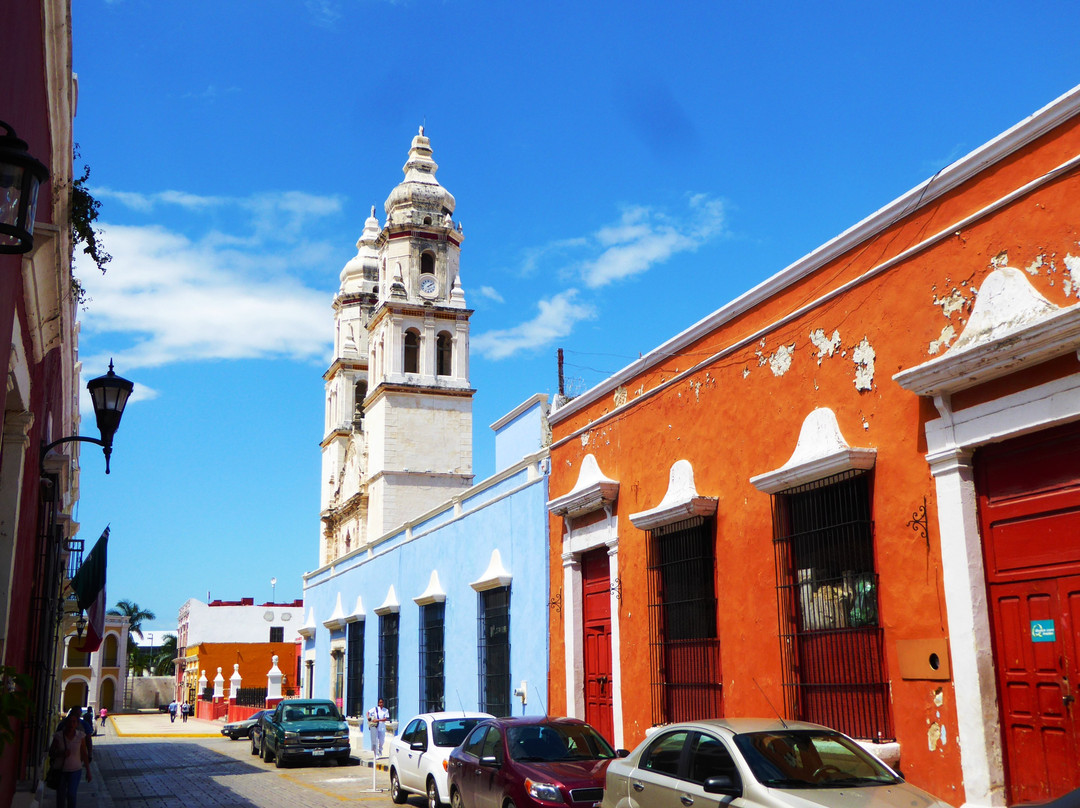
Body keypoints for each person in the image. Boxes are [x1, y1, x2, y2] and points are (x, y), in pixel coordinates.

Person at [50, 707, 92, 808]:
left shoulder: (80, 736)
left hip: (75, 770)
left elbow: (84, 752)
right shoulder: (59, 736)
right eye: (70, 721)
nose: (71, 724)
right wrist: (61, 753)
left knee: (71, 794)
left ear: (77, 723)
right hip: (60, 770)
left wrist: (88, 770)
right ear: (66, 722)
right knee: (60, 795)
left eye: (74, 722)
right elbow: (51, 752)